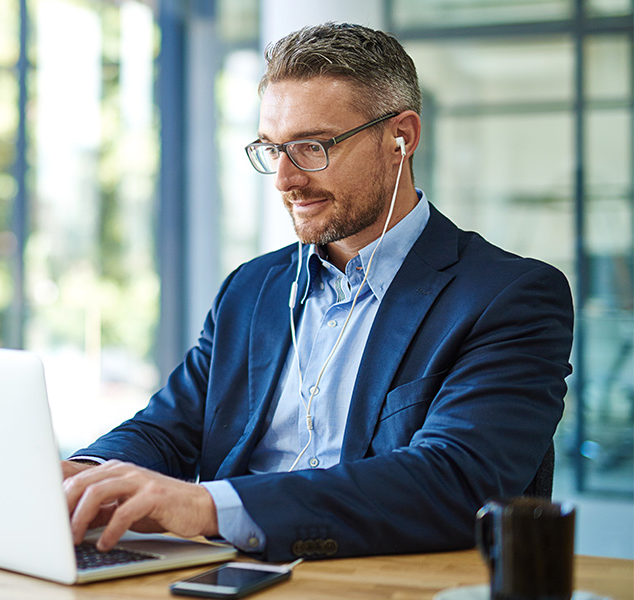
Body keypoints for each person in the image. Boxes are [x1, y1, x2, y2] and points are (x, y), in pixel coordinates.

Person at [61, 22, 574, 563]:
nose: (285, 179)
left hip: (379, 581)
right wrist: (88, 477)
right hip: (227, 575)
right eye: (271, 148)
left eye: (311, 147)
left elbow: (455, 482)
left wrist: (210, 507)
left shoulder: (510, 296)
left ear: (402, 136)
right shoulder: (251, 289)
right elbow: (168, 428)